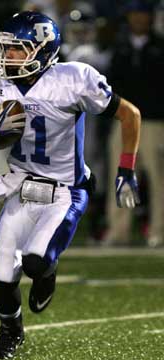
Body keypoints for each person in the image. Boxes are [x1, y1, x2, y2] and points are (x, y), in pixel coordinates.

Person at [0, 11, 141, 359]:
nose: (8, 56)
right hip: (21, 186)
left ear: (44, 50)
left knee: (35, 263)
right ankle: (10, 332)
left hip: (65, 191)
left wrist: (125, 170)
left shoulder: (72, 78)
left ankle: (46, 274)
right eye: (6, 48)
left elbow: (130, 114)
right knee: (3, 275)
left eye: (18, 49)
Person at [103, 0, 164, 247]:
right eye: (135, 14)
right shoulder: (119, 47)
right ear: (128, 17)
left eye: (143, 14)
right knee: (120, 175)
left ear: (150, 17)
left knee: (159, 179)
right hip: (124, 123)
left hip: (155, 123)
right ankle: (119, 231)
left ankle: (159, 232)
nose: (139, 19)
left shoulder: (161, 47)